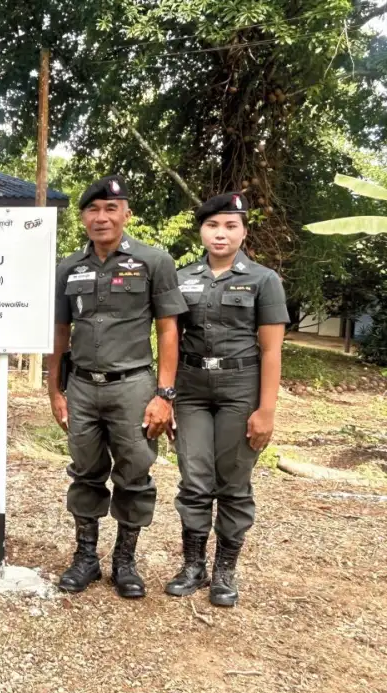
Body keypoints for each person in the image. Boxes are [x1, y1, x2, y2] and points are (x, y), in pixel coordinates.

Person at [48, 174, 187, 599]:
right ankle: (86, 558)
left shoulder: (153, 261)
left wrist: (164, 395)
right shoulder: (68, 268)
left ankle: (125, 562)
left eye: (111, 209)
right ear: (83, 217)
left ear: (126, 214)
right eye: (93, 209)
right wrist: (54, 390)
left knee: (134, 473)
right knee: (85, 472)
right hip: (82, 387)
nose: (102, 217)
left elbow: (168, 331)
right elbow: (59, 332)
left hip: (133, 387)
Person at [165, 192, 288, 607]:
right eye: (213, 225)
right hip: (192, 388)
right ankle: (193, 566)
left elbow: (271, 350)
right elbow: (170, 339)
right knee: (194, 479)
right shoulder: (182, 277)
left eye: (231, 226)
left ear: (243, 232)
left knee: (234, 483)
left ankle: (224, 571)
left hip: (240, 387)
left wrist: (266, 410)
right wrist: (166, 396)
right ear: (201, 231)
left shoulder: (263, 280)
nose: (221, 233)